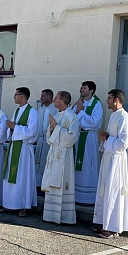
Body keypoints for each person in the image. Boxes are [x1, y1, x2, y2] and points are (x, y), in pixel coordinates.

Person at [94, 89, 128, 239]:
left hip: (116, 160)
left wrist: (107, 138)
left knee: (113, 192)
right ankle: (104, 223)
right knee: (105, 190)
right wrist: (106, 138)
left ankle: (112, 227)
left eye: (110, 98)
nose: (107, 101)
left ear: (116, 100)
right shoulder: (114, 116)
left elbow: (124, 142)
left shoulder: (125, 117)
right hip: (108, 158)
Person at [0, 87, 39, 217]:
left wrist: (15, 127)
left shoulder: (32, 112)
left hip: (23, 149)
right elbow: (12, 128)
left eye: (16, 95)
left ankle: (23, 206)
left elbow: (32, 131)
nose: (14, 97)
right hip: (14, 147)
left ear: (22, 96)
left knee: (22, 177)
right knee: (10, 175)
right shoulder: (17, 111)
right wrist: (10, 128)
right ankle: (9, 204)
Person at [42, 91, 79, 224]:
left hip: (64, 155)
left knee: (62, 183)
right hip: (54, 152)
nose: (54, 100)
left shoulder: (71, 116)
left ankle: (64, 217)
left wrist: (55, 127)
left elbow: (71, 137)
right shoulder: (57, 115)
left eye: (56, 98)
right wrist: (52, 129)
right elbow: (49, 137)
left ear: (62, 101)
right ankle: (50, 215)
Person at [73, 81, 103, 205]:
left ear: (91, 91)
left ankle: (87, 198)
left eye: (84, 88)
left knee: (87, 167)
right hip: (78, 137)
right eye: (81, 88)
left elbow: (94, 123)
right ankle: (75, 195)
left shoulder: (97, 104)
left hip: (89, 138)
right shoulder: (79, 102)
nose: (81, 90)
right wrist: (76, 111)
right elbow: (71, 117)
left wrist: (80, 112)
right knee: (76, 164)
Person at [35, 89, 58, 187]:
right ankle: (37, 184)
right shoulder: (40, 109)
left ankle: (45, 185)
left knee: (47, 163)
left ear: (49, 97)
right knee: (38, 163)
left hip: (50, 141)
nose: (41, 98)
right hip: (40, 140)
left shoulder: (56, 110)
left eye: (43, 96)